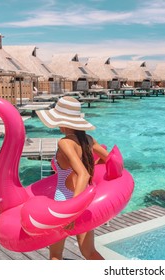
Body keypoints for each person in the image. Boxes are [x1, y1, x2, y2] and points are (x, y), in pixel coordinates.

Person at [36, 96, 109, 260]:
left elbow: (83, 173)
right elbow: (109, 158)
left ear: (63, 121)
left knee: (55, 255)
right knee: (89, 252)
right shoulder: (88, 140)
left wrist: (71, 212)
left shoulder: (65, 143)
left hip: (65, 205)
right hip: (85, 203)